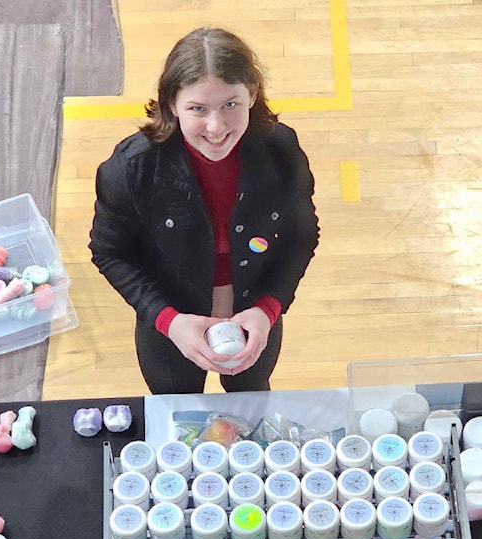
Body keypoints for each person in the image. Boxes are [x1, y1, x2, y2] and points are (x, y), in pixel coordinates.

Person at [90, 27, 319, 394]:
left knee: (251, 392)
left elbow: (301, 235)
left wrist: (268, 309)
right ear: (171, 105)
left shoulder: (282, 150)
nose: (216, 127)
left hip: (256, 313)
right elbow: (109, 251)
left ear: (252, 95)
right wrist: (168, 321)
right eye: (198, 108)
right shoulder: (129, 169)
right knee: (175, 404)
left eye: (231, 104)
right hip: (169, 324)